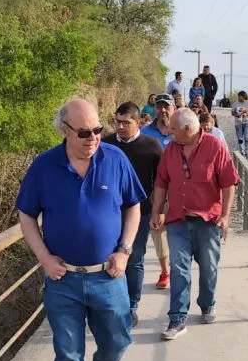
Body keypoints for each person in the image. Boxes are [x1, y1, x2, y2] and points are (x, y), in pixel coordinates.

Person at [15, 98, 143, 361]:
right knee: (68, 356)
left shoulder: (115, 160)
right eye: (85, 132)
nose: (94, 138)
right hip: (63, 281)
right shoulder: (44, 166)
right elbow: (26, 216)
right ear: (65, 131)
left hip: (108, 276)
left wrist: (124, 249)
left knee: (118, 340)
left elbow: (133, 206)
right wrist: (43, 257)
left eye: (98, 130)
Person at [150, 109, 240, 340]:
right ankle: (177, 318)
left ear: (187, 130)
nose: (169, 133)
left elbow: (229, 183)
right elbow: (161, 182)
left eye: (173, 129)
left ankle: (207, 303)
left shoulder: (215, 146)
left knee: (209, 267)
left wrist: (226, 217)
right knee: (179, 269)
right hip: (178, 219)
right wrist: (157, 211)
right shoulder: (170, 149)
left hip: (207, 221)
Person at [103, 102, 163, 325]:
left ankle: (131, 306)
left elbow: (162, 181)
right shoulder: (106, 144)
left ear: (138, 123)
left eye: (125, 123)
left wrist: (160, 210)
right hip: (108, 211)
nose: (120, 127)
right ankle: (111, 304)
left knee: (134, 257)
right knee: (108, 256)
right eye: (117, 122)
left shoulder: (152, 146)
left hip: (141, 212)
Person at [138, 94, 173, 290]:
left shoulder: (181, 131)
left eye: (166, 107)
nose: (163, 110)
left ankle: (178, 268)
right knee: (158, 231)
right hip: (155, 191)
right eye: (159, 107)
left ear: (174, 108)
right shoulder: (145, 133)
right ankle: (165, 271)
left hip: (180, 192)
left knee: (178, 233)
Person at [231, 90, 248, 155]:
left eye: (240, 97)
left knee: (247, 137)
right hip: (238, 123)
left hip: (247, 122)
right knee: (240, 138)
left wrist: (246, 114)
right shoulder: (235, 103)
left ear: (244, 97)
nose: (239, 98)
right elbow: (232, 112)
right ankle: (242, 152)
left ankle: (247, 151)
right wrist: (236, 115)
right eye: (238, 96)